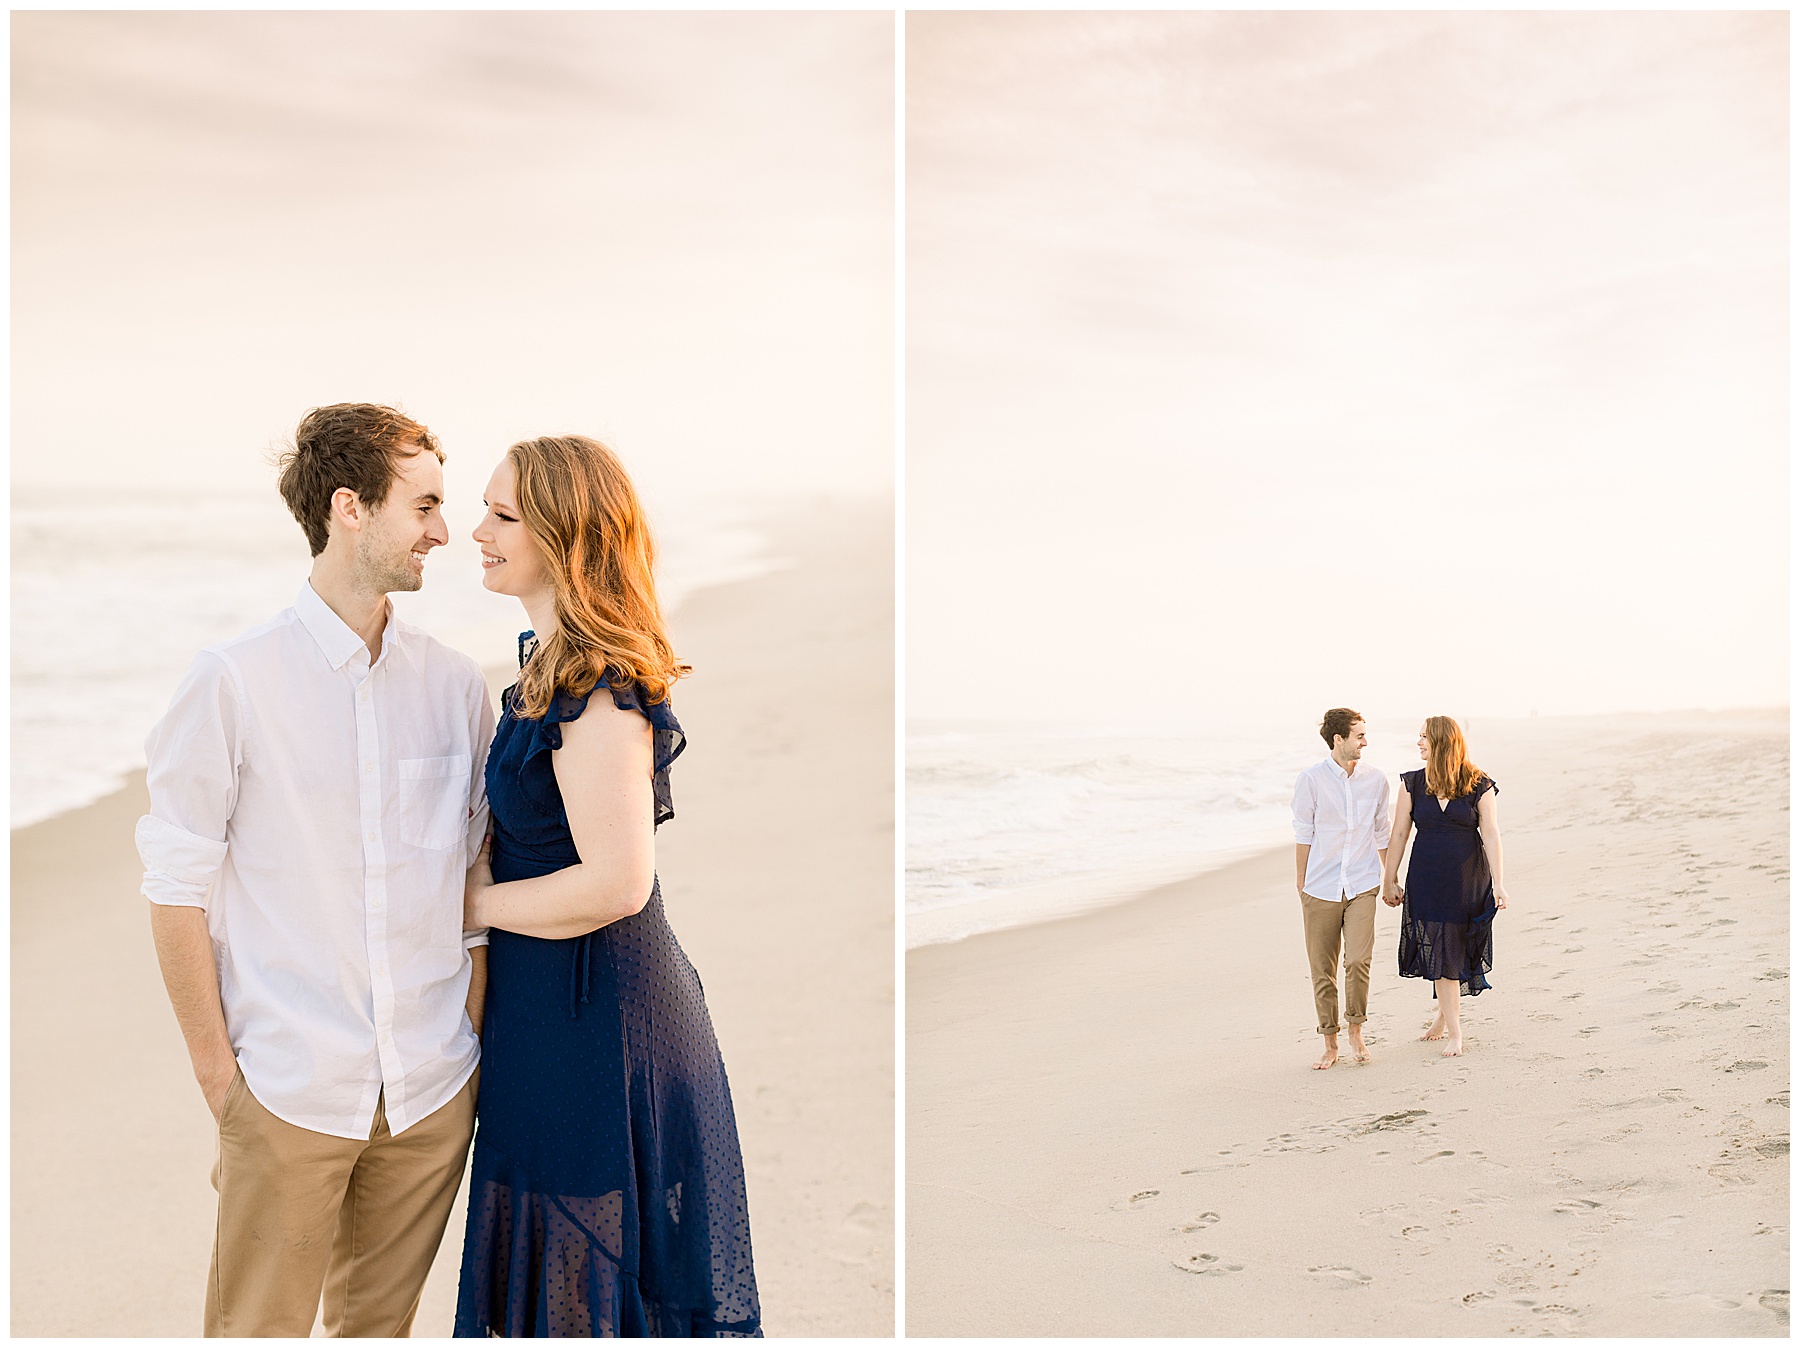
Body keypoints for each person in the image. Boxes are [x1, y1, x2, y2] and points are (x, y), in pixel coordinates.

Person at [138, 403, 494, 1336]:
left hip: (428, 1091)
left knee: (377, 1336)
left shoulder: (457, 688)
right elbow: (174, 890)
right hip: (287, 1089)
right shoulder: (231, 681)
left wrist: (467, 1046)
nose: (443, 531)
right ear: (349, 507)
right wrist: (225, 1089)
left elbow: (469, 894)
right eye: (423, 508)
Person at [453, 435, 760, 1338]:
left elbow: (619, 882)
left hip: (601, 1023)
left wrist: (459, 907)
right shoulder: (545, 666)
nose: (478, 531)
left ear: (564, 533)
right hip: (549, 1010)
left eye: (503, 516)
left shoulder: (594, 691)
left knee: (588, 1286)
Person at [1381, 715, 1510, 1057]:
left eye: (1424, 737)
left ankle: (1443, 1020)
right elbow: (1398, 833)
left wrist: (1499, 883)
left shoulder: (1478, 783)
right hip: (1426, 877)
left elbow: (1492, 834)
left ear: (1442, 742)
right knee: (1440, 949)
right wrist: (1389, 877)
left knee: (1455, 947)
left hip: (1468, 879)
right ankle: (1455, 1031)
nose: (1418, 742)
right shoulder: (1411, 784)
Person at [1291, 708, 1392, 1070]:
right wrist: (1302, 883)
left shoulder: (1376, 780)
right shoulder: (1311, 780)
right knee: (1323, 968)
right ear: (1339, 739)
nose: (1365, 741)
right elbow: (1303, 832)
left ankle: (1356, 1029)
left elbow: (1382, 831)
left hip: (1363, 882)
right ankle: (1330, 1041)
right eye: (1359, 735)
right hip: (1320, 887)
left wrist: (1390, 876)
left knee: (1358, 960)